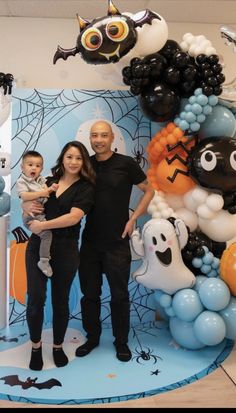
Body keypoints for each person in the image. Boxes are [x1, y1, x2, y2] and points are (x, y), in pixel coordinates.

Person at [75, 120, 154, 362]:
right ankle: (93, 338)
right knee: (90, 295)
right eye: (94, 135)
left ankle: (121, 342)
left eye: (103, 135)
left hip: (117, 243)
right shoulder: (84, 164)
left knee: (120, 295)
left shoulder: (126, 164)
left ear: (112, 138)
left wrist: (133, 220)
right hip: (89, 243)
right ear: (90, 138)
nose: (98, 140)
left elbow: (149, 190)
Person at [23, 141, 95, 371]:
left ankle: (57, 346)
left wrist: (44, 226)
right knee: (35, 299)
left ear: (83, 162)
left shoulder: (86, 188)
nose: (73, 162)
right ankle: (35, 347)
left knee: (60, 301)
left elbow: (73, 218)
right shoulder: (48, 182)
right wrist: (27, 209)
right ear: (62, 159)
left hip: (66, 249)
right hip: (37, 246)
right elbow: (29, 200)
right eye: (69, 157)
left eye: (78, 158)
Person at [16, 150, 59, 277]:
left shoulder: (41, 180)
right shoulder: (22, 181)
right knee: (47, 235)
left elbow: (46, 193)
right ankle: (44, 260)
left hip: (40, 215)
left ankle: (45, 259)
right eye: (30, 165)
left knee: (48, 234)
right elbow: (24, 195)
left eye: (38, 165)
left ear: (41, 168)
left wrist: (51, 189)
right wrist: (41, 193)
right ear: (22, 167)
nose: (34, 168)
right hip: (31, 216)